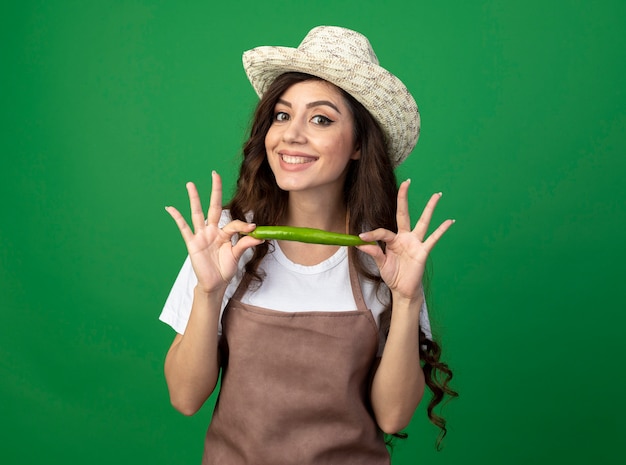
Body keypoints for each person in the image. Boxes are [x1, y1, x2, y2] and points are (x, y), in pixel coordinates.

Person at [160, 25, 458, 464]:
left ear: (358, 144)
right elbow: (185, 398)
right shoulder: (228, 239)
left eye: (321, 119)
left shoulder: (385, 256)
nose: (291, 135)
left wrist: (408, 298)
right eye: (282, 115)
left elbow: (393, 417)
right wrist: (208, 292)